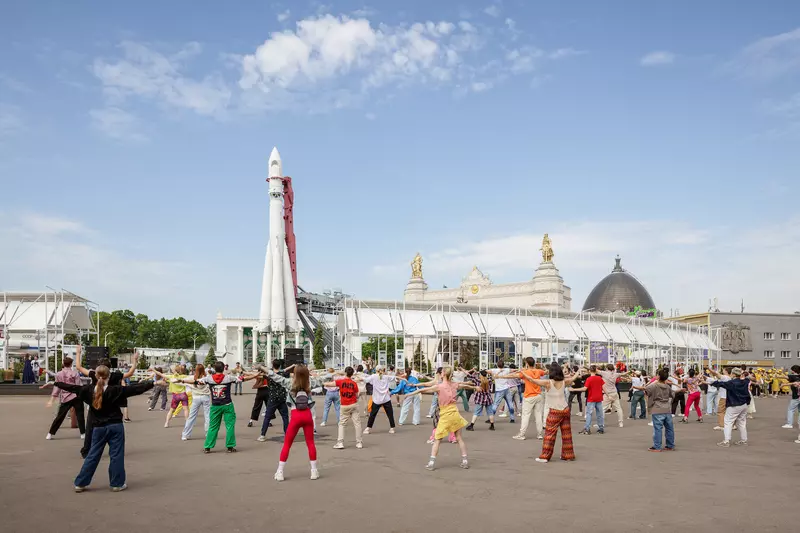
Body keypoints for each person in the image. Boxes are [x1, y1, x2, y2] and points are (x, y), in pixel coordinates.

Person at [54, 365, 154, 492]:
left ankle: (80, 483)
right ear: (109, 376)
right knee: (116, 455)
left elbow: (71, 387)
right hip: (115, 426)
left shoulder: (87, 390)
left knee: (93, 455)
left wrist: (56, 383)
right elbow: (135, 389)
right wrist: (153, 383)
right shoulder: (116, 390)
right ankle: (117, 483)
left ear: (95, 376)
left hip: (98, 427)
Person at [405, 366, 476, 471]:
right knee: (459, 438)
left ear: (443, 374)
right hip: (455, 413)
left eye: (442, 372)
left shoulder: (439, 386)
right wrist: (474, 386)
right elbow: (464, 386)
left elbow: (424, 389)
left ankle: (431, 463)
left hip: (445, 415)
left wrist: (410, 393)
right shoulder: (454, 385)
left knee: (437, 440)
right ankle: (465, 461)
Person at [263, 364, 323, 481]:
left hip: (295, 415)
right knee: (310, 443)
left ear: (294, 373)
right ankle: (314, 471)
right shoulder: (309, 383)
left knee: (287, 444)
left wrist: (263, 368)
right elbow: (324, 379)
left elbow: (274, 376)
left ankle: (280, 472)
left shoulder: (289, 383)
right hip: (307, 414)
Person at [75, 351, 137, 459]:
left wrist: (78, 353)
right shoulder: (115, 376)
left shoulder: (95, 374)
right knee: (113, 428)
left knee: (90, 428)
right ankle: (114, 450)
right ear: (110, 367)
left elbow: (79, 367)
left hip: (96, 404)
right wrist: (135, 360)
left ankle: (86, 450)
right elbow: (130, 373)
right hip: (112, 405)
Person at [521, 363, 582, 463]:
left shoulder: (547, 383)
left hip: (554, 411)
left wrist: (524, 373)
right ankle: (568, 455)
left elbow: (532, 380)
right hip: (565, 410)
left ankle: (545, 456)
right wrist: (578, 371)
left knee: (549, 435)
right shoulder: (564, 382)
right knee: (567, 434)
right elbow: (574, 378)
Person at [174, 361, 240, 453]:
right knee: (230, 426)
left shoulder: (209, 378)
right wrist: (256, 375)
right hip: (227, 404)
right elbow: (243, 378)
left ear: (214, 369)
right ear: (223, 368)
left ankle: (208, 446)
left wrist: (182, 380)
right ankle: (230, 446)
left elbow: (195, 381)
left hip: (215, 405)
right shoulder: (229, 378)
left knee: (213, 426)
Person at [708, 367, 751, 447]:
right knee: (741, 423)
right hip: (744, 404)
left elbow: (720, 384)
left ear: (733, 374)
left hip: (734, 404)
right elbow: (748, 378)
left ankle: (726, 441)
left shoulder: (732, 383)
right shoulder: (745, 381)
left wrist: (710, 382)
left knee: (728, 422)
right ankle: (744, 440)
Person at [503, 358, 545, 440]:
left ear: (527, 363)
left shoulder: (526, 372)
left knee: (526, 416)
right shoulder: (538, 371)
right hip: (538, 395)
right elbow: (545, 372)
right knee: (538, 415)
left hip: (529, 396)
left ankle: (522, 434)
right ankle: (539, 434)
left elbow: (514, 376)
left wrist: (501, 376)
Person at [45, 356, 86, 440]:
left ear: (63, 364)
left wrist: (51, 400)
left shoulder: (59, 374)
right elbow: (78, 386)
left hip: (65, 397)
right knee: (80, 415)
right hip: (76, 396)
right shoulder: (75, 373)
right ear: (71, 364)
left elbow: (57, 388)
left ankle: (50, 433)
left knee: (60, 416)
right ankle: (83, 433)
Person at [323, 367, 363, 449]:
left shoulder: (340, 382)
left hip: (344, 405)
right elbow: (356, 394)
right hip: (353, 404)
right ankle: (359, 442)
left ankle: (340, 442)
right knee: (357, 423)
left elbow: (329, 384)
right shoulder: (354, 383)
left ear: (345, 373)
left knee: (342, 424)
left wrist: (324, 383)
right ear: (352, 374)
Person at [257, 359, 290, 442]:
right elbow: (287, 372)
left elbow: (260, 375)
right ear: (280, 366)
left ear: (272, 365)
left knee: (267, 417)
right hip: (282, 398)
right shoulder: (284, 374)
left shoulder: (269, 375)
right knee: (285, 417)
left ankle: (262, 435)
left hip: (272, 398)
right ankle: (287, 434)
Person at [646, 367, 675, 451]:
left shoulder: (654, 385)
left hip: (657, 408)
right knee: (669, 428)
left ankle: (657, 446)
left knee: (658, 428)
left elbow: (646, 390)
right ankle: (670, 445)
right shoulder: (667, 386)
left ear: (658, 376)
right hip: (667, 409)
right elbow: (672, 394)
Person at [179, 364, 211, 441]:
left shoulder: (192, 378)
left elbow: (182, 381)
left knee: (191, 417)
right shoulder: (207, 378)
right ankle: (208, 433)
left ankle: (185, 434)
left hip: (196, 397)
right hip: (205, 397)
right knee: (207, 416)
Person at [363, 366, 398, 434]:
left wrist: (355, 378)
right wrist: (403, 377)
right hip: (386, 399)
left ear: (376, 370)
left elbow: (365, 380)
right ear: (383, 370)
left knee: (372, 414)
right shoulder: (386, 377)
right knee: (390, 414)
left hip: (377, 399)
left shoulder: (374, 376)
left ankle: (368, 428)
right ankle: (392, 428)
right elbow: (396, 377)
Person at [573, 365, 605, 435]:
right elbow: (604, 388)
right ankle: (601, 428)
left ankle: (587, 429)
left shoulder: (589, 379)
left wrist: (574, 389)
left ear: (590, 371)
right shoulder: (599, 378)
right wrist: (607, 395)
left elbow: (584, 389)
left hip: (591, 398)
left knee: (589, 414)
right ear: (596, 371)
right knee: (599, 414)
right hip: (599, 397)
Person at [598, 364, 626, 428]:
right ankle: (621, 423)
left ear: (607, 368)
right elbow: (623, 374)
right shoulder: (615, 374)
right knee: (618, 408)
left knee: (602, 409)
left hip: (607, 394)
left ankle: (601, 424)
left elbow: (595, 371)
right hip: (615, 393)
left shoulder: (604, 373)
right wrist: (629, 372)